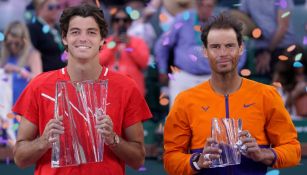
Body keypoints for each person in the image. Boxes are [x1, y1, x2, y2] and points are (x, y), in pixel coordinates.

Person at [13, 3, 152, 175]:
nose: (83, 38)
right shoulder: (39, 85)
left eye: (91, 32)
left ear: (102, 39)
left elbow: (138, 160)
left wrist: (113, 139)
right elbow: (19, 158)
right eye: (75, 32)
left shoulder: (126, 87)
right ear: (65, 38)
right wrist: (43, 141)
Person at [163, 12, 301, 175]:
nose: (223, 53)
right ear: (205, 51)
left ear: (240, 48)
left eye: (229, 46)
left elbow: (293, 150)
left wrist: (263, 154)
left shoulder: (266, 95)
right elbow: (170, 158)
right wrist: (198, 162)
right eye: (215, 47)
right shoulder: (186, 100)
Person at [154, 0, 247, 106]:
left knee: (213, 115)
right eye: (202, 5)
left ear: (213, 7)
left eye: (209, 6)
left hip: (213, 76)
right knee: (177, 113)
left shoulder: (221, 23)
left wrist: (232, 73)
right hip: (183, 75)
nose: (205, 9)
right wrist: (162, 69)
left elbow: (240, 48)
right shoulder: (183, 18)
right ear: (196, 5)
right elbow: (162, 44)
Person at [239, 0, 296, 84]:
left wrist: (267, 52)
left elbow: (283, 27)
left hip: (284, 47)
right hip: (259, 47)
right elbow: (242, 19)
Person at [99, 7, 149, 96]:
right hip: (110, 90)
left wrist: (129, 46)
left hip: (133, 90)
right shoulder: (106, 42)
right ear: (113, 23)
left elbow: (143, 63)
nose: (121, 23)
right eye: (117, 20)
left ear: (129, 23)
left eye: (125, 20)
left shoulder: (138, 42)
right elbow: (99, 61)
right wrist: (113, 44)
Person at [28, 0, 66, 72]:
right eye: (51, 7)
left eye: (58, 7)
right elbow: (32, 54)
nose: (55, 10)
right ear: (39, 9)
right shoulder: (33, 28)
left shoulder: (58, 27)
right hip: (46, 74)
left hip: (61, 72)